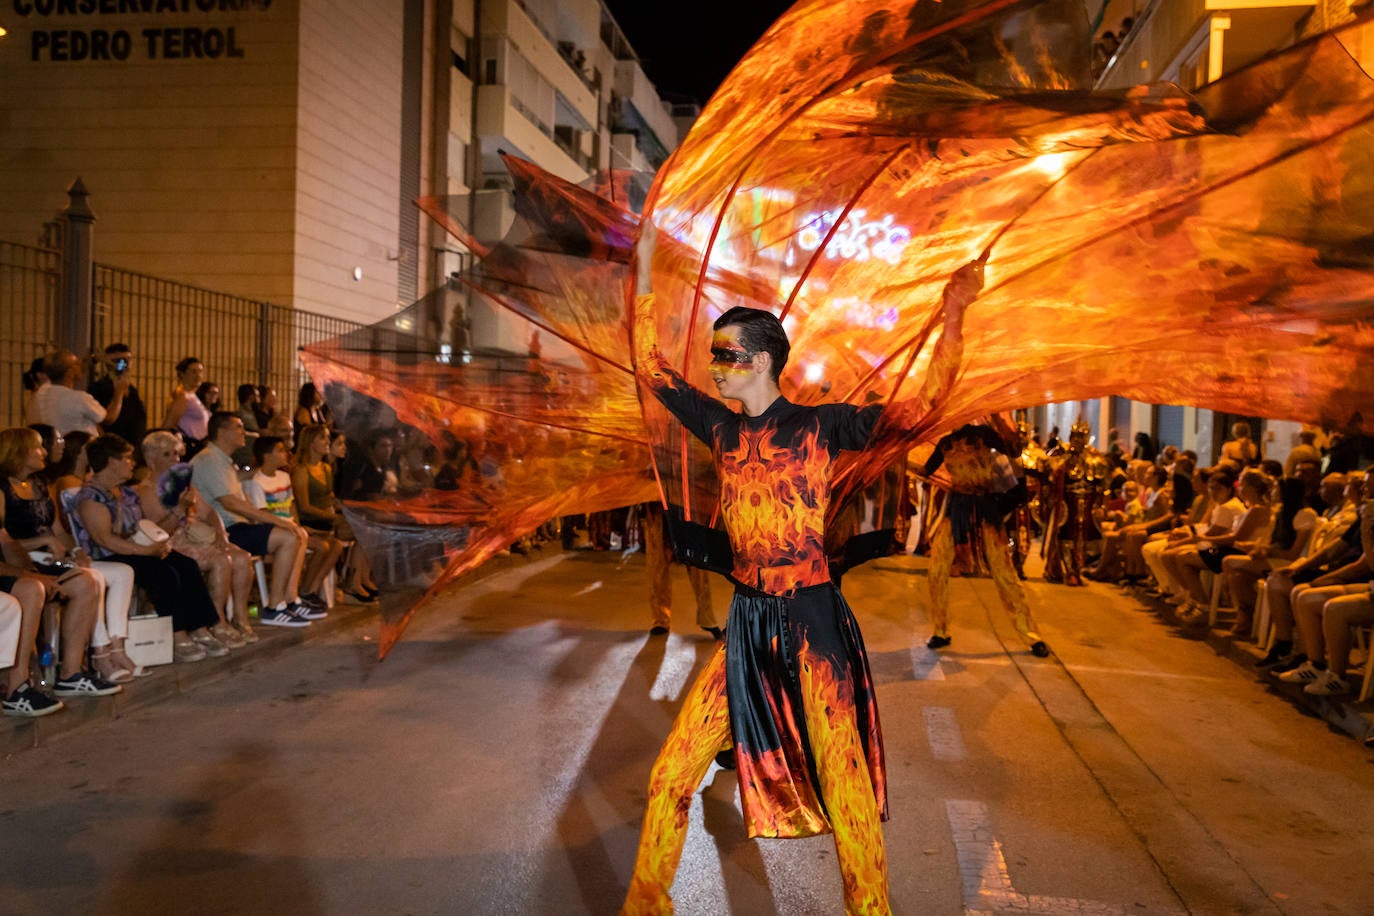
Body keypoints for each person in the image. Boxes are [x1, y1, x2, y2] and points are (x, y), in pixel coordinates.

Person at [619, 251, 975, 912]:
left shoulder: (822, 425)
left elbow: (927, 405)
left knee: (846, 788)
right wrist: (641, 277)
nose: (714, 365)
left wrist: (953, 316)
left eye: (724, 354)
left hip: (812, 627)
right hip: (748, 627)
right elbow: (651, 366)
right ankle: (644, 905)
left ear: (759, 359)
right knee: (670, 773)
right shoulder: (720, 426)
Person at [73, 434, 226, 663]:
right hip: (110, 555)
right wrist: (147, 551)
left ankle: (199, 627)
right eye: (126, 458)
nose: (132, 463)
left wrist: (159, 540)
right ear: (112, 462)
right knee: (163, 573)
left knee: (185, 564)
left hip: (134, 548)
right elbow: (105, 540)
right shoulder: (91, 497)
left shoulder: (125, 493)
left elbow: (147, 528)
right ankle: (177, 634)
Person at [0, 427, 119, 693]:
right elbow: (6, 543)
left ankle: (71, 673)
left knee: (86, 581)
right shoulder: (3, 490)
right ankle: (20, 680)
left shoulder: (39, 484)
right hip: (21, 560)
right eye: (38, 447)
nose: (43, 452)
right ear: (18, 452)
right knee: (37, 587)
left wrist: (75, 551)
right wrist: (40, 546)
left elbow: (58, 531)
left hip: (46, 557)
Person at [923, 423, 1048, 656]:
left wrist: (998, 421)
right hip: (957, 508)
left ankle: (1032, 636)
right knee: (937, 569)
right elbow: (927, 470)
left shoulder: (986, 435)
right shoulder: (945, 442)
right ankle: (940, 630)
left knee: (1004, 573)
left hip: (986, 508)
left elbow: (1013, 453)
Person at [190, 412, 314, 627]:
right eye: (238, 427)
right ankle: (274, 606)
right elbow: (231, 503)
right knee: (288, 536)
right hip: (224, 530)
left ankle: (289, 599)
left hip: (237, 525)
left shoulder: (225, 461)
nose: (244, 432)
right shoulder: (209, 460)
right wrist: (277, 521)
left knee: (296, 532)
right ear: (221, 432)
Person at [136, 430, 256, 646]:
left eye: (176, 454)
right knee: (221, 561)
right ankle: (215, 620)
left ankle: (240, 617)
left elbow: (209, 512)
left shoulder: (181, 484)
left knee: (241, 557)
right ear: (150, 460)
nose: (175, 459)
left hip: (195, 536)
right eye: (167, 455)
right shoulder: (146, 491)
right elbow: (159, 532)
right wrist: (180, 509)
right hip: (172, 542)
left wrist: (221, 535)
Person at [246, 435, 341, 611]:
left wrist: (296, 524)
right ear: (267, 456)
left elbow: (292, 507)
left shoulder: (284, 477)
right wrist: (293, 527)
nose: (286, 454)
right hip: (275, 531)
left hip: (292, 527)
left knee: (328, 542)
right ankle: (293, 595)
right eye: (280, 450)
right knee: (310, 540)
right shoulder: (257, 482)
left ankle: (299, 593)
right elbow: (262, 515)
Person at [293, 424, 378, 602]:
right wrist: (333, 516)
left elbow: (330, 497)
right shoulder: (302, 470)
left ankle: (359, 579)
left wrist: (345, 509)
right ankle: (353, 581)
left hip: (330, 517)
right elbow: (304, 507)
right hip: (314, 520)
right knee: (364, 531)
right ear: (310, 442)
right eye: (322, 438)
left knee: (369, 527)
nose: (326, 442)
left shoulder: (326, 468)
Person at [641, 500, 722, 639]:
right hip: (655, 508)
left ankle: (707, 617)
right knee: (657, 565)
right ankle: (660, 619)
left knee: (697, 563)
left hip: (684, 503)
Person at [28, 349, 128, 437]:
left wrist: (94, 359)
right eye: (77, 364)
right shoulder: (79, 399)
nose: (80, 365)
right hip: (78, 453)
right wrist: (119, 390)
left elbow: (64, 370)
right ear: (71, 372)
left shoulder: (39, 395)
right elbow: (109, 418)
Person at [88, 343, 147, 448]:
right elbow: (99, 421)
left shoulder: (133, 391)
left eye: (126, 360)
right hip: (113, 449)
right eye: (117, 361)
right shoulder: (99, 388)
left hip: (133, 449)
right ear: (107, 363)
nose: (122, 365)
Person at [162, 357, 211, 455]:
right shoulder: (183, 396)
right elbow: (169, 424)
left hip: (200, 446)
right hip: (191, 448)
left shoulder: (192, 395)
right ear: (182, 374)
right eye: (193, 372)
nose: (198, 376)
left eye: (200, 371)